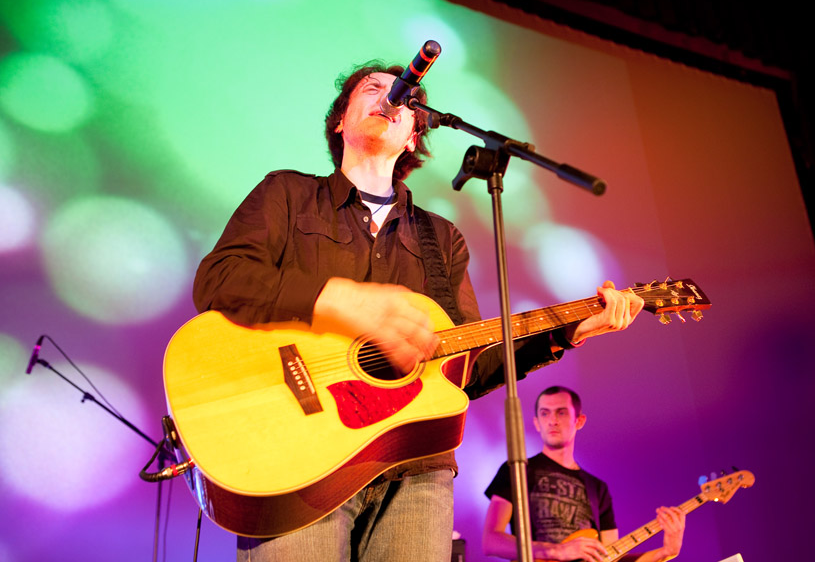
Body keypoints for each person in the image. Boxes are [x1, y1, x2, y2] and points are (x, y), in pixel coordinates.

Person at [193, 60, 646, 561]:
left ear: (413, 135)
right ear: (340, 120)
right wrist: (336, 300)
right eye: (372, 89)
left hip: (417, 470)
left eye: (404, 98)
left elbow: (471, 367)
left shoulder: (441, 238)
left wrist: (567, 333)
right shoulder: (287, 194)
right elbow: (220, 280)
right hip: (299, 455)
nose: (389, 98)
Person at [483, 386, 686, 562]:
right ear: (536, 423)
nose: (552, 420)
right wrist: (558, 551)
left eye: (561, 412)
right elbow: (491, 541)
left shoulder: (597, 488)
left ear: (579, 421)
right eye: (545, 413)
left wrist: (666, 552)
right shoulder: (516, 469)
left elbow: (610, 557)